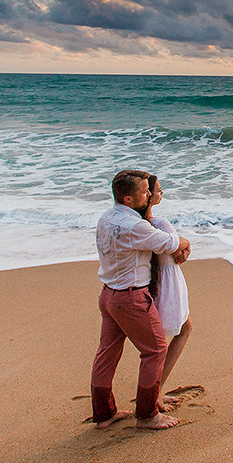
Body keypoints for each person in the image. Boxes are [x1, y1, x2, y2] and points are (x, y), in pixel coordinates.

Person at [90, 169, 191, 430]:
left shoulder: (106, 218)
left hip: (108, 295)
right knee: (155, 350)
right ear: (128, 199)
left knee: (107, 353)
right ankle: (147, 414)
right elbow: (170, 244)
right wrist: (185, 241)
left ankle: (104, 414)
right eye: (144, 192)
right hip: (130, 297)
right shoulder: (134, 226)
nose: (149, 194)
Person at [145, 174, 192, 412]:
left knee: (163, 338)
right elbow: (178, 253)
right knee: (176, 333)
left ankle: (155, 391)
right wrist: (185, 247)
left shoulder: (139, 225)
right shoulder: (160, 224)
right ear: (148, 196)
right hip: (168, 282)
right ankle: (155, 393)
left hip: (151, 282)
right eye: (159, 190)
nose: (162, 193)